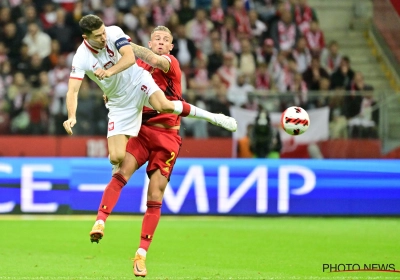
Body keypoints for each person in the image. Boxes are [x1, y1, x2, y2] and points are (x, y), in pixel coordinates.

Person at [88, 25, 221, 277]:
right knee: (120, 171)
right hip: (142, 130)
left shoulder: (169, 63)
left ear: (171, 47)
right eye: (157, 39)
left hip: (167, 135)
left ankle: (141, 255)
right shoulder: (136, 70)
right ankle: (100, 221)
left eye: (166, 40)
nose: (161, 42)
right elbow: (121, 91)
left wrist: (122, 43)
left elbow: (151, 59)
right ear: (150, 42)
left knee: (155, 192)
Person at [63, 15, 237, 173]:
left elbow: (130, 58)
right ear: (86, 37)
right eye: (98, 36)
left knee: (165, 105)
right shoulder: (80, 58)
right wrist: (71, 116)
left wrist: (110, 72)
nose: (103, 38)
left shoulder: (113, 32)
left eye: (103, 32)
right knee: (116, 157)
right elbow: (73, 90)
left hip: (138, 81)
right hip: (119, 100)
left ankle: (214, 118)